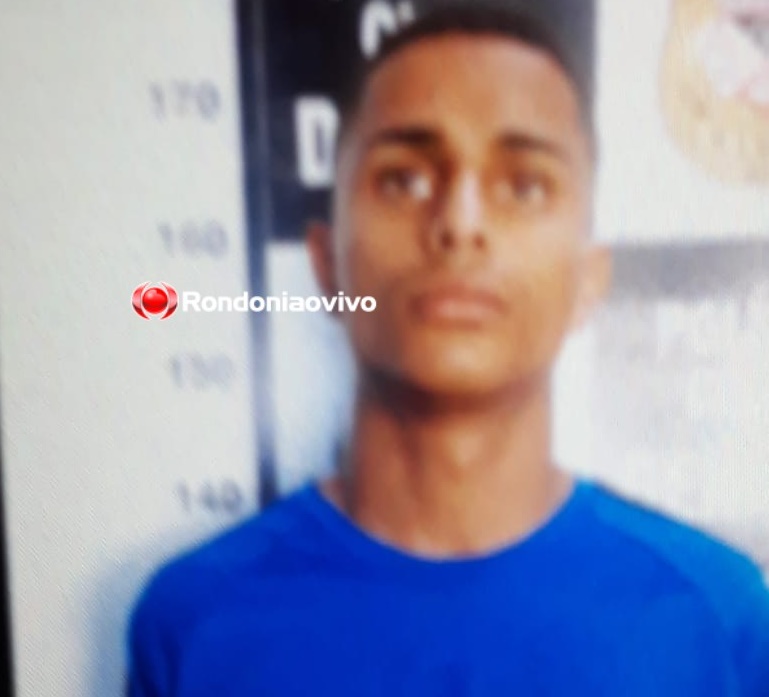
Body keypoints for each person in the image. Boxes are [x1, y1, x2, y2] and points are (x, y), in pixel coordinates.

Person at [127, 4, 769, 695]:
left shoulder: (716, 621)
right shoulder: (195, 624)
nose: (460, 223)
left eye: (523, 185)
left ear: (589, 280)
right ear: (326, 262)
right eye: (403, 179)